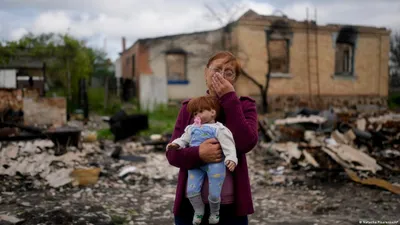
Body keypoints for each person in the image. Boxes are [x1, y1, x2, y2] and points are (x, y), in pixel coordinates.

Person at [166, 51, 258, 225]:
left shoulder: (245, 105)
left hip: (231, 209)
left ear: (235, 79)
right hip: (191, 208)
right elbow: (172, 154)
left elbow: (246, 143)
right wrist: (199, 154)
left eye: (228, 72)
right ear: (205, 73)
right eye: (216, 69)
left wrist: (229, 99)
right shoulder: (190, 107)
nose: (221, 76)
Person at [166, 95, 238, 224]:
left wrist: (231, 158)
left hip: (215, 164)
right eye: (195, 113)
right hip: (196, 164)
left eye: (201, 111)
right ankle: (199, 210)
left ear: (212, 112)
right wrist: (176, 144)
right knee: (192, 191)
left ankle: (215, 212)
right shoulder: (191, 128)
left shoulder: (219, 129)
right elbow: (184, 139)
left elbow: (229, 145)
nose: (197, 115)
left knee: (215, 193)